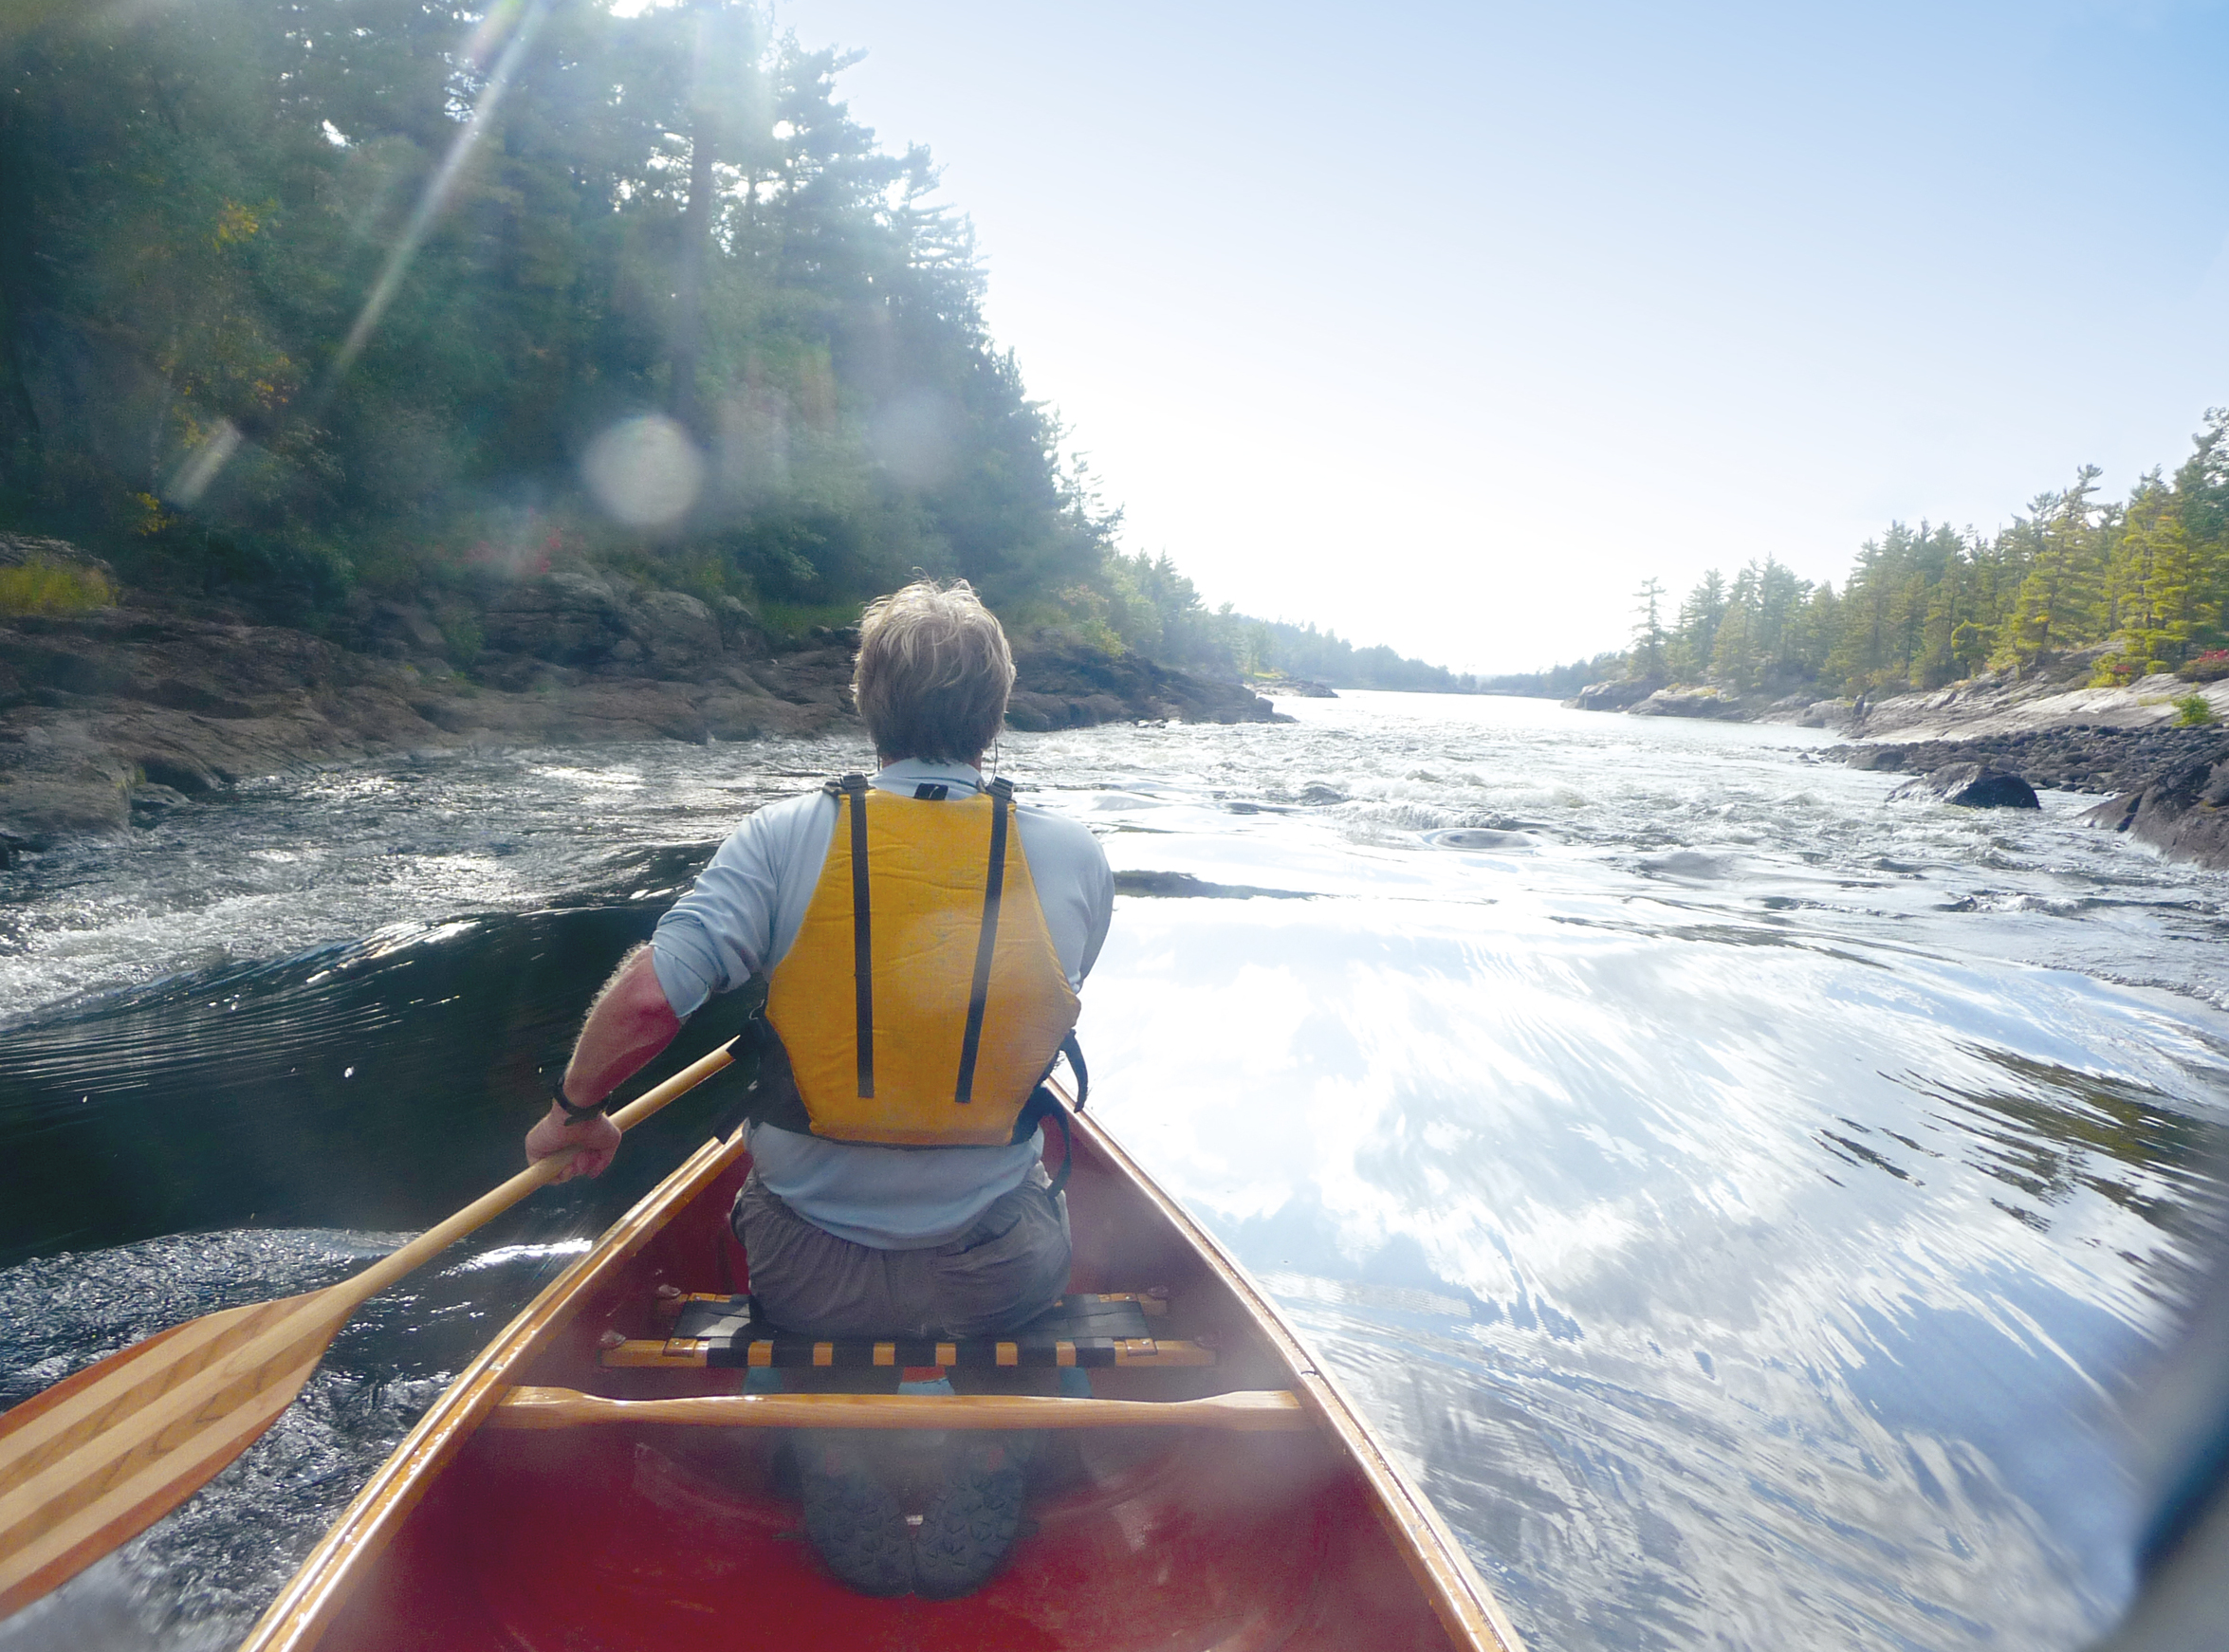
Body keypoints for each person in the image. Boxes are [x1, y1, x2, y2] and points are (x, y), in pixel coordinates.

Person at [525, 578, 1114, 1598]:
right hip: (991, 1262)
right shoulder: (1074, 854)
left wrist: (575, 1109)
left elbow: (647, 1006)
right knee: (1027, 1252)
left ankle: (826, 1445)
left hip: (811, 1267)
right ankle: (991, 1445)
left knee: (783, 1275)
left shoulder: (781, 837)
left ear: (867, 703)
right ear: (996, 711)